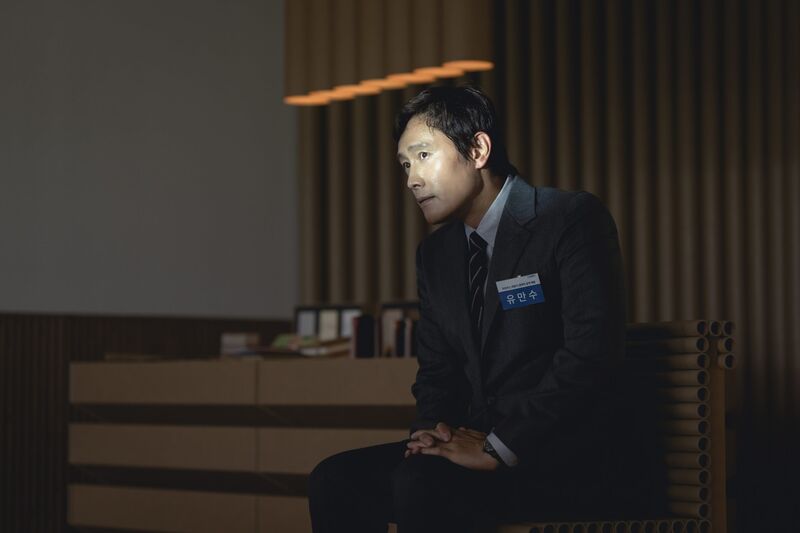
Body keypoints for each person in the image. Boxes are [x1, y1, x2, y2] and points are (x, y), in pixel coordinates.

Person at [309, 86, 626, 533]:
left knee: (419, 484)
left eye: (422, 156)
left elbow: (590, 355)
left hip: (556, 455)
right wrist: (429, 436)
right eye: (404, 165)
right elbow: (437, 372)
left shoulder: (568, 218)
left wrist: (499, 446)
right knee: (335, 479)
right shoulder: (436, 256)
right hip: (469, 450)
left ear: (477, 149)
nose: (410, 180)